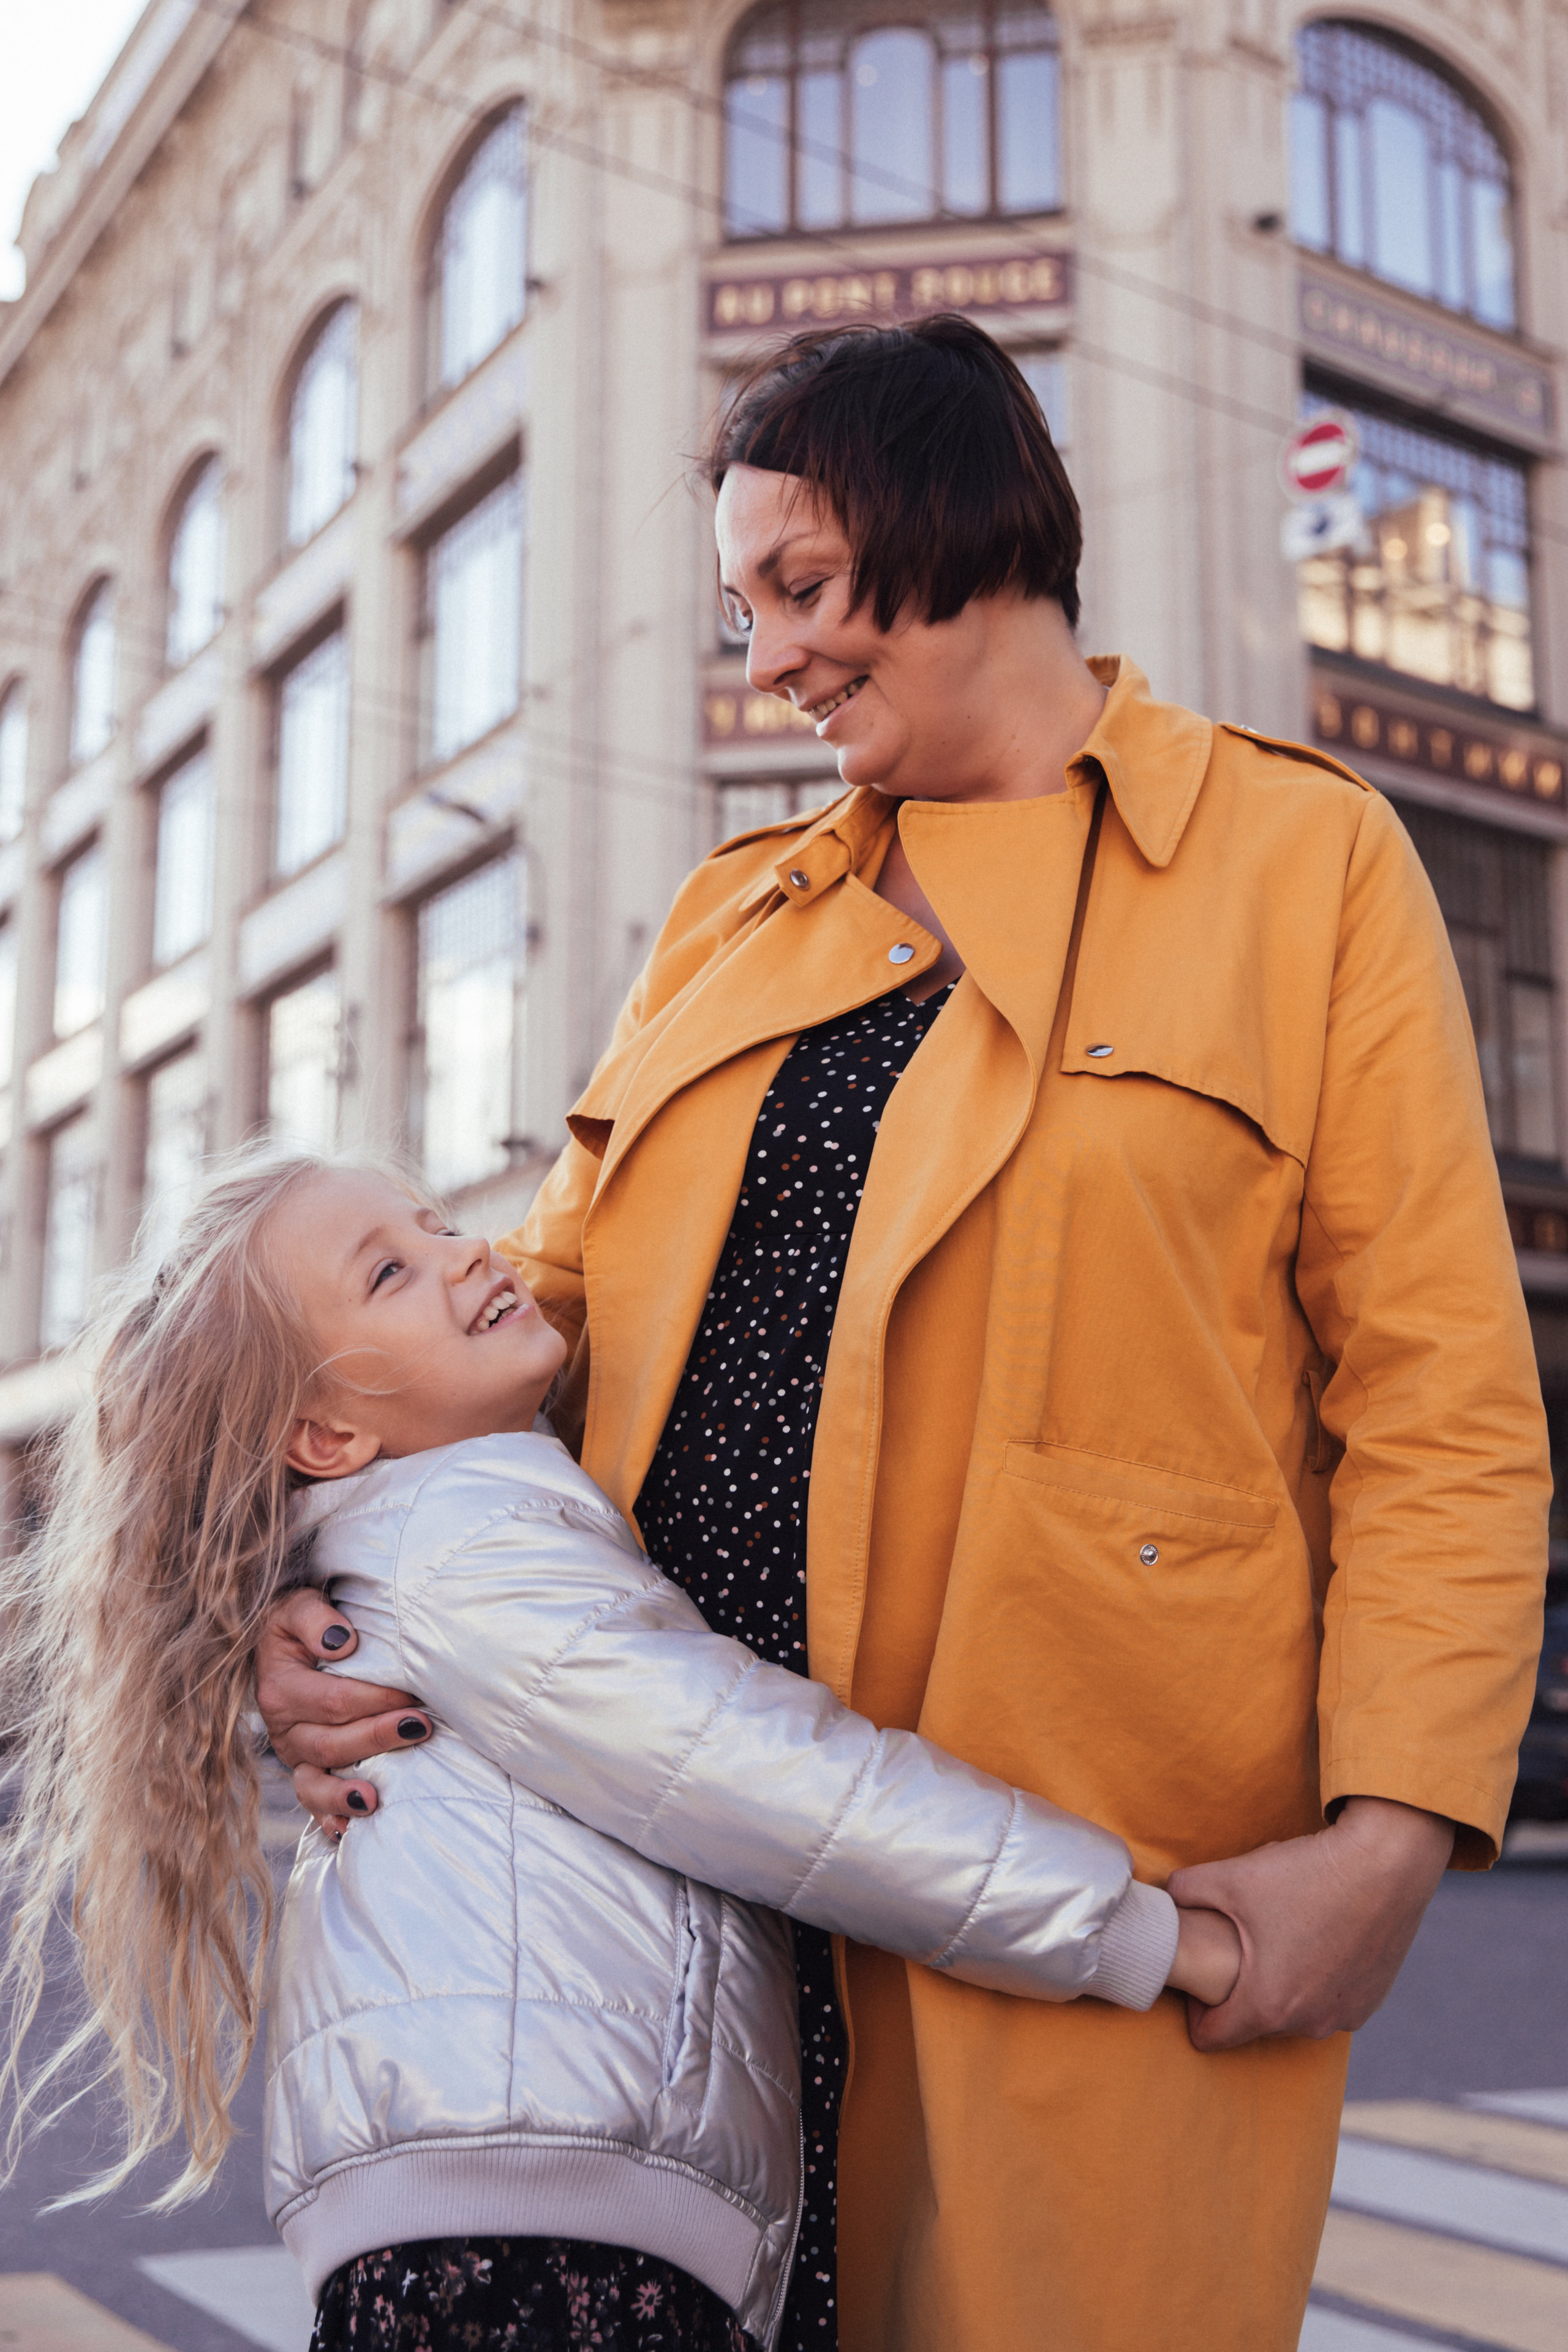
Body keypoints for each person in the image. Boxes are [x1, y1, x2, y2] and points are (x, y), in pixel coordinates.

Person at [260, 315, 1550, 2351]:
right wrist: (310, 1597)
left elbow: (1440, 1402)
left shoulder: (1302, 863)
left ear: (958, 524)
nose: (766, 659)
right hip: (671, 1907)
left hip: (1100, 1889)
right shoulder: (727, 917)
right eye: (740, 606)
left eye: (801, 587)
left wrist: (1393, 1839)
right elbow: (536, 1320)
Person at [0, 1152, 1240, 2352]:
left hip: (488, 2227)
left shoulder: (430, 1548)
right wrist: (1138, 1930)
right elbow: (778, 1783)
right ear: (323, 1439)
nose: (465, 1252)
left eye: (434, 1223)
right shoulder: (472, 1554)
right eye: (388, 1274)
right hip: (533, 2248)